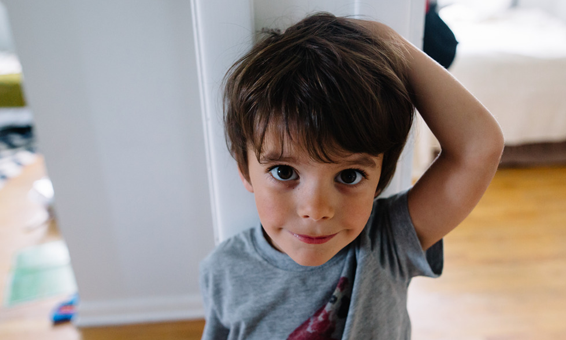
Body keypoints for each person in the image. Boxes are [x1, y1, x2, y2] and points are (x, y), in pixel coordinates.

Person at [200, 12, 504, 340]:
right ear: (245, 170)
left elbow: (479, 147)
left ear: (379, 179)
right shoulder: (224, 270)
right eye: (284, 172)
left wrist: (388, 40)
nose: (316, 210)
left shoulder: (389, 242)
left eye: (349, 176)